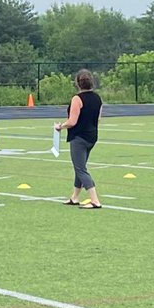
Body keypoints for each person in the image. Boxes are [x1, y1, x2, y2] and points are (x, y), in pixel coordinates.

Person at [57, 70, 104, 208]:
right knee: (80, 166)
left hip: (79, 137)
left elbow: (72, 121)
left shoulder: (77, 99)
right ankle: (75, 197)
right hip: (92, 137)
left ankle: (95, 200)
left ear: (77, 84)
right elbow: (98, 119)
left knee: (80, 169)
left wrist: (60, 127)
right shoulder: (97, 98)